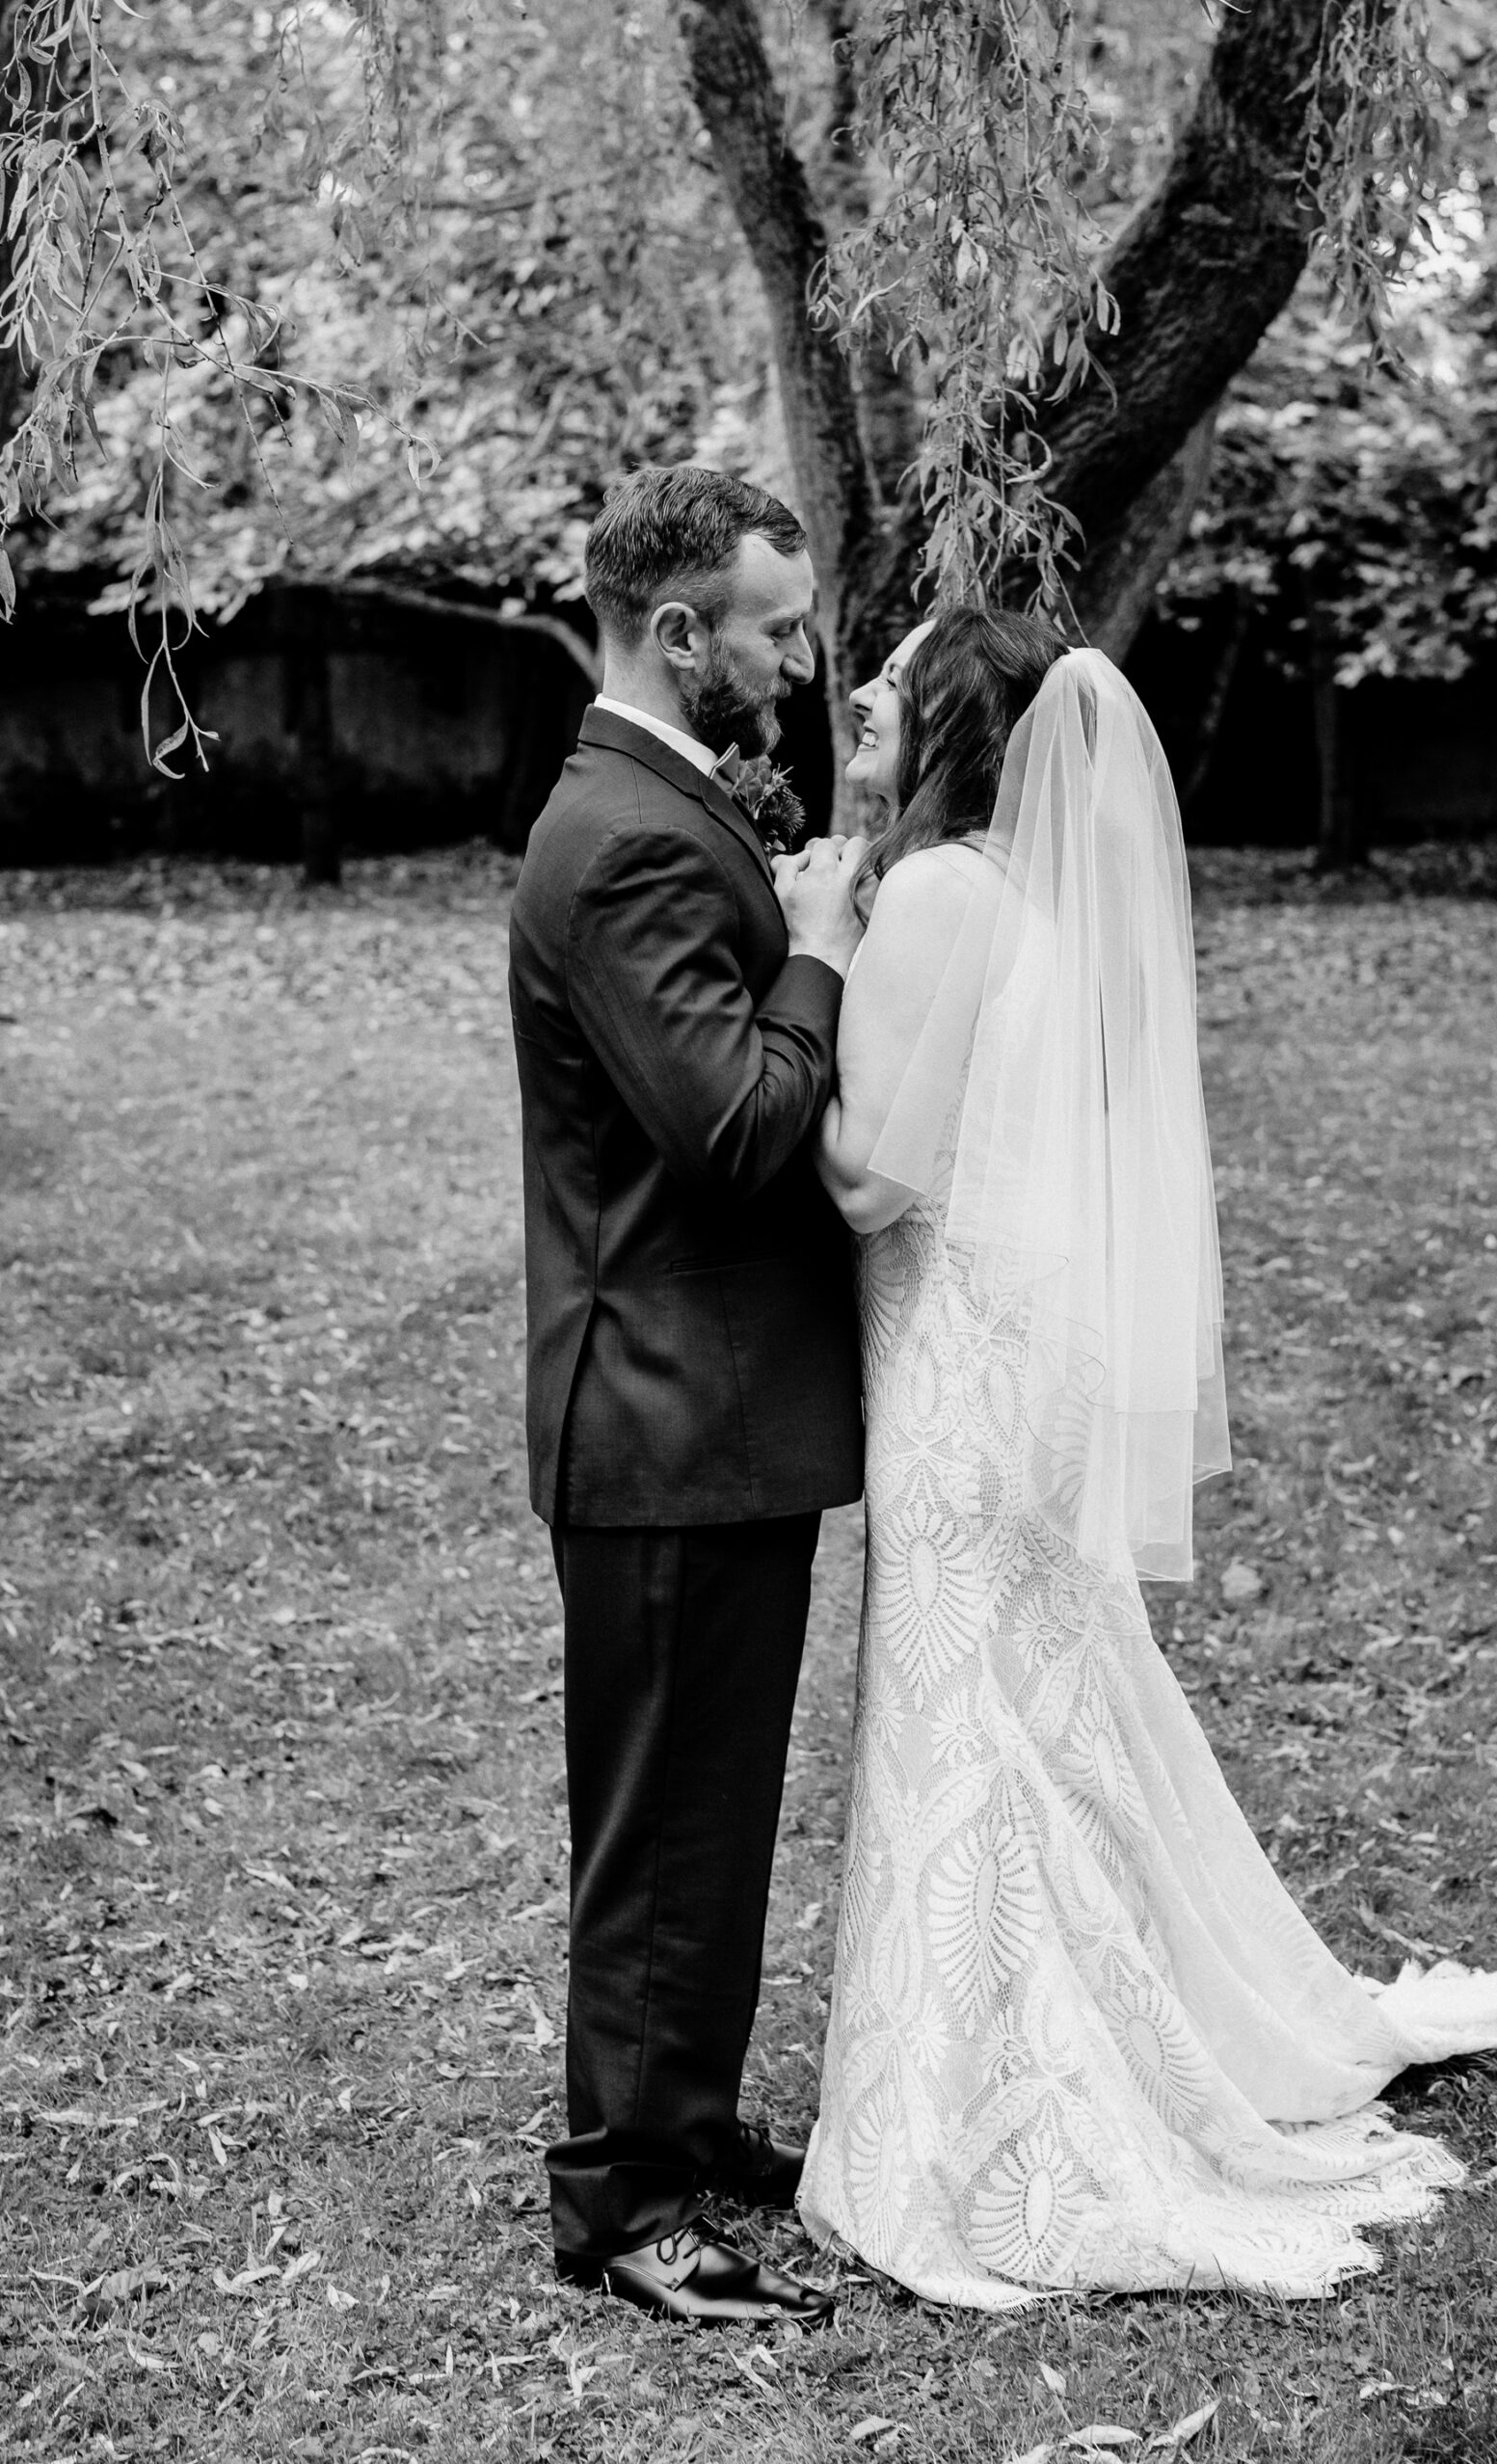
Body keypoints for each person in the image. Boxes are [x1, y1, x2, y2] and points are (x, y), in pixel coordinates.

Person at [796, 606, 1497, 2306]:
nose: (860, 689)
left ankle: (991, 2121)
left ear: (950, 723)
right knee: (1040, 1698)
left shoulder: (938, 897)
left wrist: (807, 954)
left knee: (965, 1709)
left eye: (893, 674)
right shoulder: (994, 898)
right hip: (1010, 1347)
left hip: (958, 1366)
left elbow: (871, 1180)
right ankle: (1073, 2037)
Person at [508, 465, 868, 2326]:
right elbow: (735, 1126)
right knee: (662, 1825)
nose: (799, 662)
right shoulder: (629, 836)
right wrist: (818, 939)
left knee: (710, 1808)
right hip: (665, 1411)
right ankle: (627, 2207)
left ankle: (691, 2122)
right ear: (677, 634)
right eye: (776, 630)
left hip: (709, 1406)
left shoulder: (657, 800)